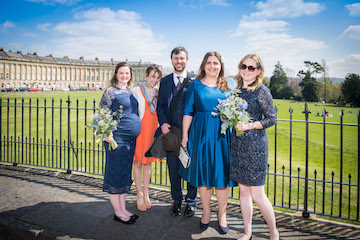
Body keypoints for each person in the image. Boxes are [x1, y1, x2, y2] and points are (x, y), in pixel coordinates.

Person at [179, 52, 236, 234]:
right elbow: (188, 111)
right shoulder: (195, 85)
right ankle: (205, 213)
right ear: (204, 65)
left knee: (221, 177)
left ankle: (222, 215)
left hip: (222, 136)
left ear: (221, 65)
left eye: (216, 63)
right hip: (201, 135)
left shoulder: (230, 85)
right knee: (203, 177)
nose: (212, 66)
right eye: (209, 63)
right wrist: (185, 135)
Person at [230, 54, 279, 240]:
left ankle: (273, 232)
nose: (246, 70)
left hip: (256, 146)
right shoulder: (236, 91)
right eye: (244, 66)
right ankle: (247, 232)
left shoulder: (261, 91)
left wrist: (249, 125)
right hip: (239, 145)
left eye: (251, 67)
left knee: (258, 194)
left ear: (258, 71)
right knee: (243, 190)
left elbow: (271, 118)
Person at [157, 46, 197, 217]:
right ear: (171, 60)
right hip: (171, 133)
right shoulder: (165, 81)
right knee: (173, 169)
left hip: (191, 133)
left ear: (186, 60)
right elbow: (160, 107)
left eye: (182, 58)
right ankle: (177, 200)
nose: (179, 61)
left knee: (190, 167)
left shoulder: (195, 80)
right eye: (176, 58)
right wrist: (163, 123)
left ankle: (191, 202)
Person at [100, 62, 141, 224]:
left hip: (130, 141)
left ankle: (123, 209)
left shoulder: (129, 91)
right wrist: (108, 133)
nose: (124, 76)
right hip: (117, 140)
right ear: (116, 74)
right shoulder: (111, 91)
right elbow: (103, 114)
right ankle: (118, 213)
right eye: (121, 73)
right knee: (115, 174)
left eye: (127, 73)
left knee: (124, 174)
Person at [132, 65, 163, 211]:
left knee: (148, 163)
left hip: (152, 131)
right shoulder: (137, 91)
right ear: (147, 76)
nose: (155, 80)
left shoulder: (158, 93)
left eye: (157, 78)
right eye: (152, 77)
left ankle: (146, 193)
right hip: (140, 130)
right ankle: (138, 193)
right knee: (138, 162)